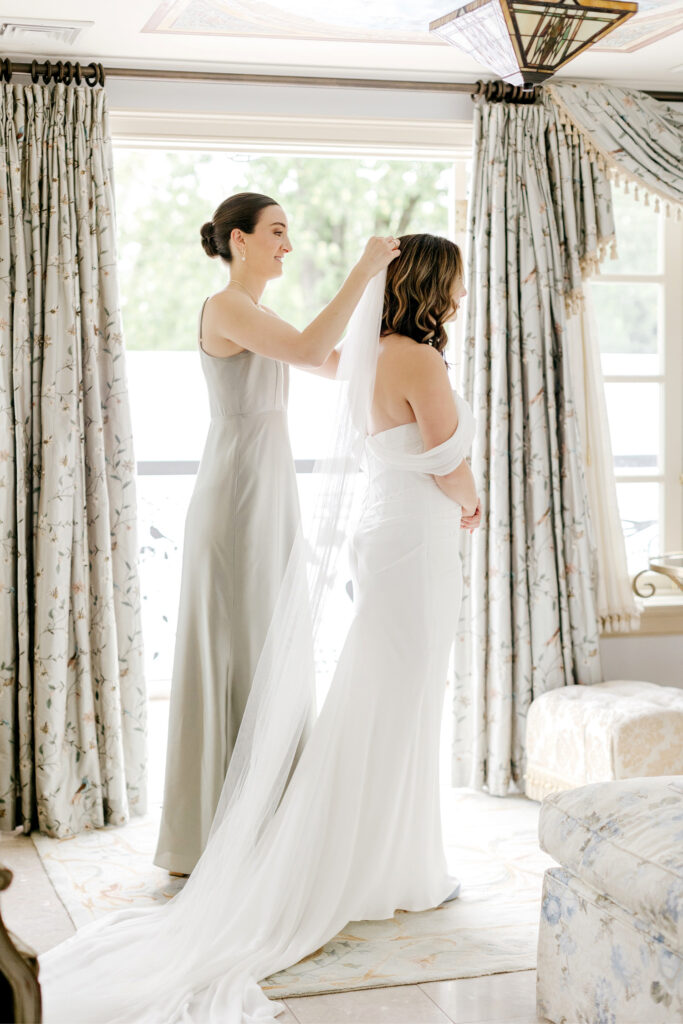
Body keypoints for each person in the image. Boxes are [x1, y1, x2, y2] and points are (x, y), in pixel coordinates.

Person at [40, 233, 481, 1024]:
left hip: (389, 533)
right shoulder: (418, 359)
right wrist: (472, 498)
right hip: (417, 539)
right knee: (401, 698)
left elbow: (366, 409)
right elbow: (447, 456)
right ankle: (377, 866)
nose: (459, 296)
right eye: (454, 282)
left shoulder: (366, 353)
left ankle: (404, 859)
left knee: (384, 694)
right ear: (431, 285)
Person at [154, 191, 400, 875]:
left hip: (266, 486)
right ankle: (209, 834)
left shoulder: (256, 312)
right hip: (236, 492)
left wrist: (404, 341)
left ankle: (263, 821)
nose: (287, 245)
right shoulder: (226, 305)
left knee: (268, 645)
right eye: (276, 232)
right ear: (238, 240)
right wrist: (361, 269)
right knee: (239, 645)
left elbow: (327, 362)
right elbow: (308, 347)